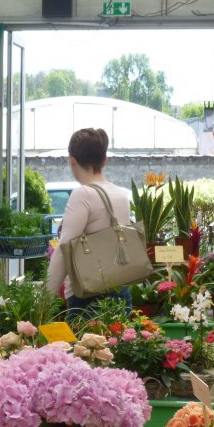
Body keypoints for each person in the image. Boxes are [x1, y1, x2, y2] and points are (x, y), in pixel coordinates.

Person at [46, 127, 134, 320]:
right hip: (121, 291)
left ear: (72, 161)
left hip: (88, 298)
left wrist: (45, 299)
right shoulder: (121, 195)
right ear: (104, 160)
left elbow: (64, 249)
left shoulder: (83, 195)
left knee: (85, 350)